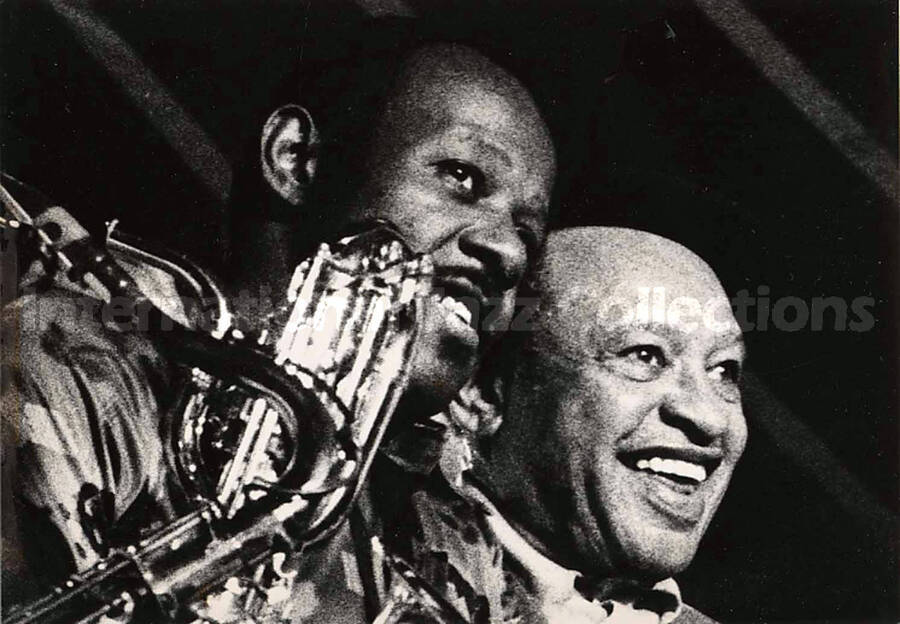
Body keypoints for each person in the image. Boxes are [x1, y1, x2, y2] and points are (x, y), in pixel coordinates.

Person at [0, 19, 556, 614]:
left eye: (529, 233)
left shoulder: (451, 541)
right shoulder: (68, 360)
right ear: (294, 159)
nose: (510, 252)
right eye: (462, 178)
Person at [387, 226, 746, 623]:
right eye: (644, 355)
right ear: (482, 393)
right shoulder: (361, 570)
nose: (709, 417)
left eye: (724, 371)